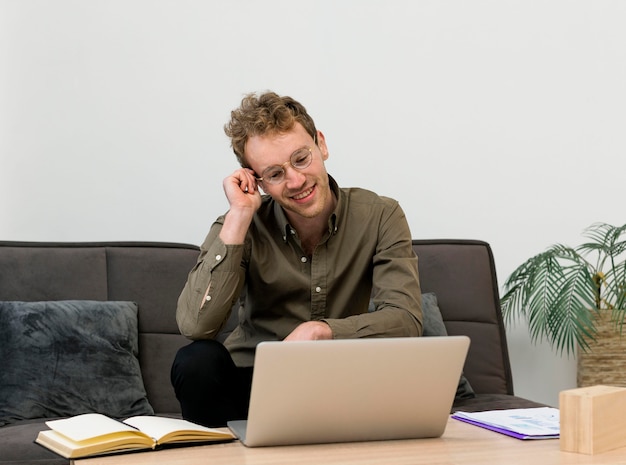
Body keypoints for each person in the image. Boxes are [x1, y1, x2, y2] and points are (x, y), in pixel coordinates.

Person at [171, 91, 423, 427]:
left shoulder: (381, 215)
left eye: (301, 159)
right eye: (274, 174)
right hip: (251, 385)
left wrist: (321, 332)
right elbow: (195, 326)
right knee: (195, 361)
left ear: (321, 144)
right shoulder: (240, 223)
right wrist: (240, 215)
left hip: (342, 383)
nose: (296, 180)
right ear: (255, 180)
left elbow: (405, 320)